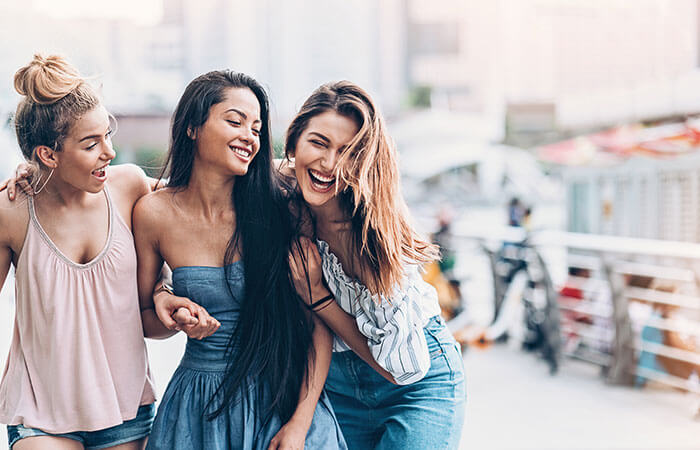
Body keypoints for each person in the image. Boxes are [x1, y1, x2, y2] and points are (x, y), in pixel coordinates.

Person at [132, 70, 347, 450]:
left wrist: (300, 424)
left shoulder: (283, 206)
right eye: (235, 121)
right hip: (197, 409)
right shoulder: (153, 213)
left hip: (281, 401)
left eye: (257, 128)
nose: (249, 136)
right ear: (192, 127)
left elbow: (317, 326)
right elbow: (148, 319)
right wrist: (176, 315)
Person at [280, 81, 466, 449]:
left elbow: (398, 368)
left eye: (348, 152)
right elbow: (199, 190)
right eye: (318, 143)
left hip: (414, 381)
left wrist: (319, 298)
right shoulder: (283, 190)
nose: (328, 164)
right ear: (293, 144)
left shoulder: (370, 235)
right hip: (335, 384)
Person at [0, 54, 156, 449]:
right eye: (91, 144)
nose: (109, 152)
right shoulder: (12, 209)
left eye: (108, 134)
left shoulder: (130, 187)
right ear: (47, 155)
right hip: (40, 414)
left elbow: (202, 196)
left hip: (124, 411)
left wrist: (290, 167)